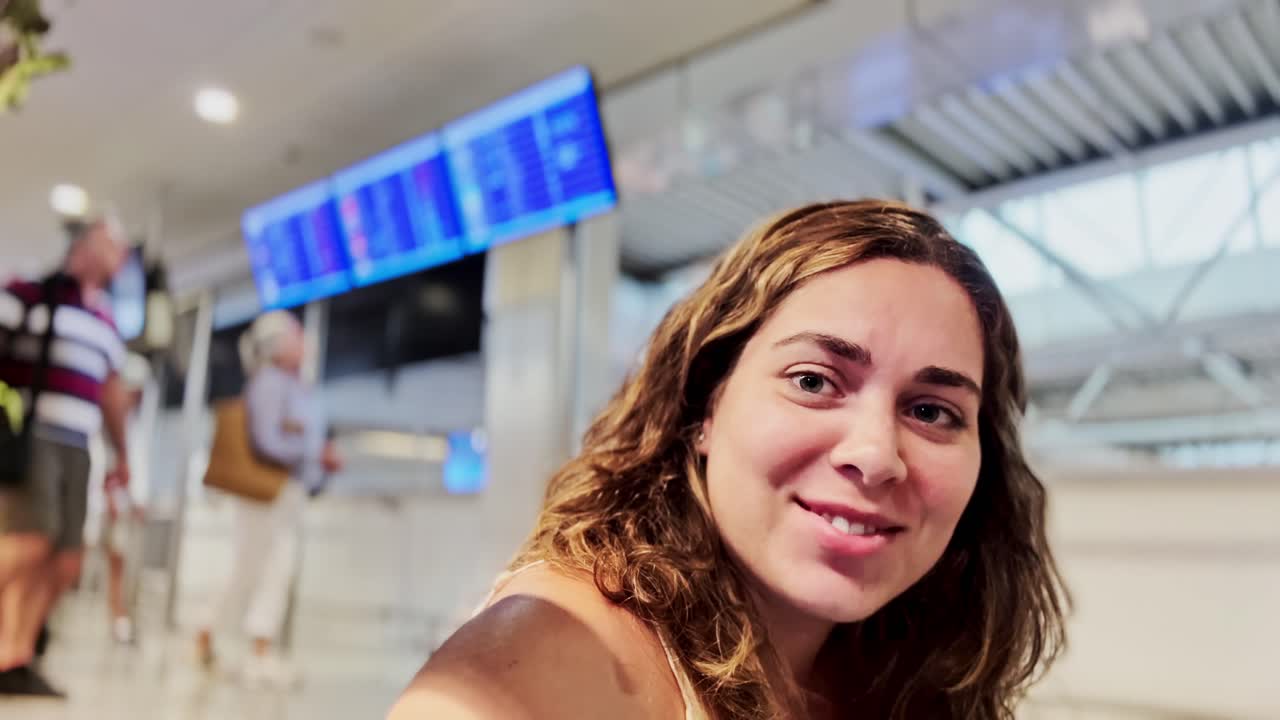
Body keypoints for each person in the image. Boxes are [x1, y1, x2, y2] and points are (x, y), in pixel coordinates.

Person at [389, 200, 1069, 719]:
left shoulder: (904, 662)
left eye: (932, 412)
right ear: (704, 407)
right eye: (813, 381)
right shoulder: (563, 651)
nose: (875, 455)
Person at [0, 215, 132, 697]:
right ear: (82, 246)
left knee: (65, 559)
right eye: (110, 244)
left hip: (81, 445)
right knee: (30, 541)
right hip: (35, 435)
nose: (118, 255)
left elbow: (112, 392)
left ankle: (14, 655)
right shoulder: (30, 293)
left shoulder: (105, 320)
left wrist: (124, 454)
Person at [195, 310, 342, 690]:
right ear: (278, 345)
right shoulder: (270, 384)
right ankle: (257, 653)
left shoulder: (294, 386)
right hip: (267, 492)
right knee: (272, 568)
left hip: (284, 493)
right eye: (296, 335)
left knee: (251, 567)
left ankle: (209, 635)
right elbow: (267, 440)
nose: (305, 342)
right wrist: (313, 455)